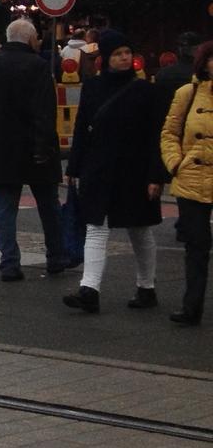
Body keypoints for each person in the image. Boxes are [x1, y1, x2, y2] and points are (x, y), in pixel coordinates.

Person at [63, 28, 167, 314]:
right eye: (118, 54)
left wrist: (156, 175)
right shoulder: (93, 87)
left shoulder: (145, 90)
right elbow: (83, 128)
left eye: (127, 53)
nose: (124, 58)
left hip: (134, 171)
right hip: (99, 168)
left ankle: (146, 287)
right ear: (106, 58)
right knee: (96, 227)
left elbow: (155, 135)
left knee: (139, 230)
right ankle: (89, 289)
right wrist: (74, 166)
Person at [0, 19, 68, 281]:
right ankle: (56, 257)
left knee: (5, 207)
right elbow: (45, 112)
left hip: (1, 147)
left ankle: (9, 262)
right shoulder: (38, 67)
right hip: (35, 147)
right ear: (30, 39)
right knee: (48, 205)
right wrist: (46, 145)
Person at [160, 40, 213, 325]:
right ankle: (191, 307)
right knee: (196, 247)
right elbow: (169, 132)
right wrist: (174, 163)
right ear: (204, 63)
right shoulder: (188, 93)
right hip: (192, 178)